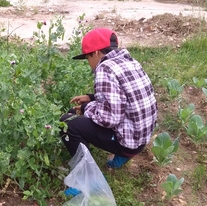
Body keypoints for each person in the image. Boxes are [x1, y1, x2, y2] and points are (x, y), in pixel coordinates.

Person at [60, 27, 157, 194]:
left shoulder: (105, 69)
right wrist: (92, 97)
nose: (89, 63)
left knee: (67, 122)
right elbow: (123, 97)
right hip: (140, 138)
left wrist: (85, 108)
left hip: (127, 142)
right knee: (75, 116)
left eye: (87, 57)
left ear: (96, 53)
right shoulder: (129, 61)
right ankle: (123, 156)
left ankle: (89, 179)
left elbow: (109, 119)